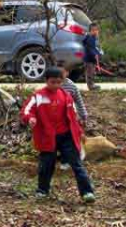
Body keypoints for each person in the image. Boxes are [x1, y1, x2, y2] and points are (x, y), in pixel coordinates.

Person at [21, 66, 96, 203]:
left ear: (62, 81)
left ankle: (87, 192)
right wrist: (30, 118)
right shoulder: (38, 96)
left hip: (66, 135)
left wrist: (79, 132)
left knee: (76, 164)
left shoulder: (66, 96)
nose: (55, 85)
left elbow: (72, 116)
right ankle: (42, 190)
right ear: (46, 81)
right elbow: (26, 110)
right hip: (47, 136)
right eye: (52, 82)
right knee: (46, 165)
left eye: (58, 82)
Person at [82, 23, 101, 91]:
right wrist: (94, 54)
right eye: (93, 30)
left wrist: (98, 53)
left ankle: (92, 84)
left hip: (92, 59)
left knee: (92, 72)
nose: (95, 31)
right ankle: (90, 86)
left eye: (96, 30)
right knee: (89, 73)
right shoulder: (90, 38)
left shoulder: (94, 38)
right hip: (89, 59)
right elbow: (90, 48)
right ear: (90, 31)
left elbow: (95, 48)